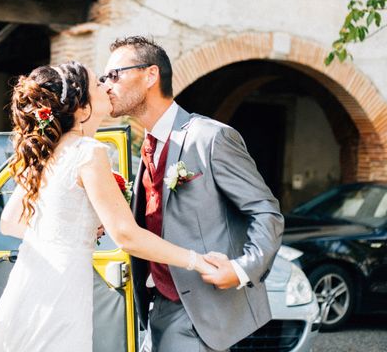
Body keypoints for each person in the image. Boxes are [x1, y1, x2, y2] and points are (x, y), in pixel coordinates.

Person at [0, 61, 216, 352]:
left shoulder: (46, 151)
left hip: (32, 276)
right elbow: (126, 236)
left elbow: (10, 222)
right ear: (82, 106)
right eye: (97, 84)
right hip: (63, 286)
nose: (106, 86)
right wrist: (197, 260)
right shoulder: (87, 152)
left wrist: (73, 226)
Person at [103, 36, 284, 352]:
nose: (107, 85)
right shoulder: (143, 149)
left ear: (150, 75)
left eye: (115, 74)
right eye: (105, 78)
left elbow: (265, 210)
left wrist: (241, 268)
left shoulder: (210, 138)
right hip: (154, 306)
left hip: (200, 309)